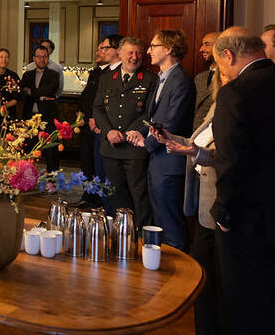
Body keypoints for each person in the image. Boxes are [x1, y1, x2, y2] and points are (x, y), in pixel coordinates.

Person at [210, 27, 275, 335]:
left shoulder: (236, 93)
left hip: (250, 219)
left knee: (246, 302)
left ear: (228, 56)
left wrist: (222, 214)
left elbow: (231, 161)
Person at [148, 71, 228, 335]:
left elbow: (221, 156)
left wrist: (191, 152)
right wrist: (172, 138)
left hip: (219, 201)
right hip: (204, 200)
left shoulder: (231, 107)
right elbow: (198, 143)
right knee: (205, 274)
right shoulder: (217, 106)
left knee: (215, 276)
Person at [129, 30, 195, 252]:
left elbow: (172, 124)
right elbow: (154, 119)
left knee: (172, 224)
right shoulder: (163, 77)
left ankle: (183, 276)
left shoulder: (181, 81)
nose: (148, 51)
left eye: (153, 46)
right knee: (160, 221)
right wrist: (140, 133)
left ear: (168, 49)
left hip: (170, 162)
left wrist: (145, 144)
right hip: (158, 161)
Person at [92, 36, 158, 225]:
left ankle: (141, 236)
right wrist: (108, 132)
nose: (134, 57)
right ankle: (122, 233)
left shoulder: (150, 79)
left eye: (138, 53)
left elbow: (149, 112)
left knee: (139, 195)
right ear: (120, 54)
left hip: (134, 147)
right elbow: (97, 108)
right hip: (110, 147)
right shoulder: (106, 78)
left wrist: (131, 131)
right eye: (130, 52)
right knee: (116, 194)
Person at [77, 35, 121, 208]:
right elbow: (88, 98)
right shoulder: (96, 73)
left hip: (103, 128)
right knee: (88, 164)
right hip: (88, 123)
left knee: (102, 170)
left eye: (104, 48)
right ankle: (89, 196)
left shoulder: (113, 73)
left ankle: (100, 201)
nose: (99, 52)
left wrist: (98, 120)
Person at [20, 45, 61, 171]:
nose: (42, 59)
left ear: (48, 58)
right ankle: (27, 179)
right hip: (29, 117)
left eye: (45, 57)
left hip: (47, 117)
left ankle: (52, 180)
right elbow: (22, 93)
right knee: (29, 149)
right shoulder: (27, 75)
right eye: (39, 56)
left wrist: (31, 92)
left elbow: (50, 90)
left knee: (50, 151)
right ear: (34, 58)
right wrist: (41, 95)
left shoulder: (54, 74)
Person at [0, 48, 20, 136]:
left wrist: (3, 107)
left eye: (6, 57)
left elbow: (16, 99)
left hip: (8, 115)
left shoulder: (13, 76)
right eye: (1, 57)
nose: (4, 60)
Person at [193, 32, 219, 131]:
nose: (201, 49)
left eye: (206, 44)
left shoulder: (228, 79)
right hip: (193, 137)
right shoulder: (199, 78)